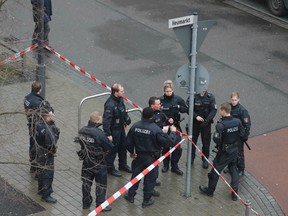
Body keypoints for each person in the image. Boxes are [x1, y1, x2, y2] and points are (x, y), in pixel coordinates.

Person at [124, 107, 177, 208]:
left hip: (138, 157)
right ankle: (146, 200)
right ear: (152, 116)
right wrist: (173, 132)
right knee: (150, 179)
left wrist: (131, 152)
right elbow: (168, 142)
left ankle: (130, 195)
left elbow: (128, 142)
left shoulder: (135, 126)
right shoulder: (155, 129)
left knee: (135, 177)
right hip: (151, 158)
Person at [199, 102, 246, 201]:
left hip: (224, 152)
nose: (219, 112)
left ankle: (210, 191)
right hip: (234, 150)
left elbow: (216, 139)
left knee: (215, 171)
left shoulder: (221, 125)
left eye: (220, 110)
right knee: (234, 169)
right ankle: (234, 192)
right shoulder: (237, 121)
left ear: (224, 111)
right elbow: (243, 134)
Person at [78, 111, 113, 211]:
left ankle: (86, 202)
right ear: (97, 120)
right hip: (98, 163)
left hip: (86, 162)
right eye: (101, 118)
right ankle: (100, 204)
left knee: (86, 183)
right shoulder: (99, 134)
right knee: (101, 184)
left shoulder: (82, 131)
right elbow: (110, 147)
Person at [24, 81, 53, 174]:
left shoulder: (26, 98)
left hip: (31, 124)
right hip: (38, 126)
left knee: (32, 145)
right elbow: (49, 110)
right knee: (39, 147)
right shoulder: (39, 103)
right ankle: (38, 169)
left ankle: (32, 166)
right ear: (40, 90)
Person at [103, 83, 132, 177]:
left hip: (120, 128)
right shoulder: (110, 104)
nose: (123, 92)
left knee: (123, 147)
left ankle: (123, 165)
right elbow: (106, 120)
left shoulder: (120, 100)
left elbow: (122, 112)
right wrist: (108, 134)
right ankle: (110, 168)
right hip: (114, 130)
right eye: (121, 91)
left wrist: (126, 121)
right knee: (113, 150)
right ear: (116, 92)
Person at [159, 80, 188, 175]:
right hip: (164, 127)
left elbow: (186, 109)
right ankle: (165, 165)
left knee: (177, 147)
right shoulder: (160, 101)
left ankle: (174, 166)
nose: (168, 93)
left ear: (173, 90)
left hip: (175, 126)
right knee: (165, 147)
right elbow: (156, 112)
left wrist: (179, 107)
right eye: (166, 91)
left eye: (170, 91)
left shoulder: (177, 99)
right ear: (163, 91)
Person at [186, 90, 217, 169]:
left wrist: (206, 121)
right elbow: (188, 108)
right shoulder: (193, 96)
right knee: (192, 142)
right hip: (195, 122)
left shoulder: (210, 97)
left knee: (206, 143)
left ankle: (205, 160)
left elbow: (213, 110)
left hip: (206, 123)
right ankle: (191, 158)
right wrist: (196, 116)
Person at [35, 110, 59, 203]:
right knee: (48, 174)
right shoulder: (49, 130)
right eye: (52, 114)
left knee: (41, 171)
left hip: (39, 151)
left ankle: (41, 189)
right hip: (46, 154)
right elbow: (51, 144)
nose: (54, 115)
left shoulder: (39, 124)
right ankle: (46, 195)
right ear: (47, 117)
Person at [148, 96, 169, 186]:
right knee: (152, 164)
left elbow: (165, 120)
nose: (160, 105)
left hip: (158, 143)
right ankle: (150, 182)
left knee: (156, 163)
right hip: (151, 144)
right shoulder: (148, 115)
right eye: (158, 104)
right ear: (152, 106)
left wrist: (169, 122)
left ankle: (153, 179)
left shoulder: (160, 113)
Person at [230, 92, 251, 177]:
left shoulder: (242, 110)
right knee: (230, 151)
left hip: (238, 135)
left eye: (235, 100)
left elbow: (247, 124)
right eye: (232, 100)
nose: (234, 101)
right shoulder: (229, 107)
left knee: (239, 152)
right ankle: (231, 167)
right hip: (230, 133)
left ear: (239, 100)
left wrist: (245, 135)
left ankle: (241, 169)